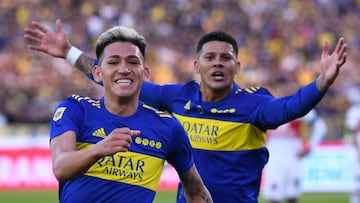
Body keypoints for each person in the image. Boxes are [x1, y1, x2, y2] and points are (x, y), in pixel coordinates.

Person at [24, 19, 348, 203]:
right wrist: (68, 52)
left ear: (238, 66)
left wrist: (322, 81)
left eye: (226, 58)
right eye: (210, 57)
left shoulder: (254, 104)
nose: (218, 62)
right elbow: (120, 78)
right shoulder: (178, 98)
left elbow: (289, 108)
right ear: (197, 66)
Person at [31, 24, 212, 203]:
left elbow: (197, 192)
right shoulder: (75, 110)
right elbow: (61, 168)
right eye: (113, 62)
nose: (124, 69)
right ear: (97, 73)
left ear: (145, 73)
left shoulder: (168, 127)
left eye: (133, 62)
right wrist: (99, 149)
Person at [261, 77, 327, 203]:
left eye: (287, 86)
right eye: (281, 87)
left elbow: (320, 127)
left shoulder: (299, 107)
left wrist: (310, 147)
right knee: (274, 197)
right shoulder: (269, 106)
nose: (284, 90)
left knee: (292, 196)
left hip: (293, 156)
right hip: (274, 157)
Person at [345, 87, 360, 203]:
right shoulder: (354, 111)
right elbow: (349, 132)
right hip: (357, 151)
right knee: (357, 181)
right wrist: (356, 149)